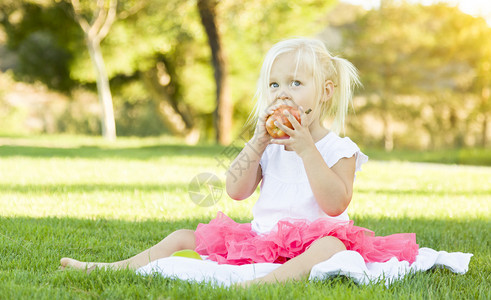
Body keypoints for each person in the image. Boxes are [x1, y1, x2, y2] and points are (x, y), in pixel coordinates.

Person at [60, 38, 419, 286]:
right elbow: (235, 190)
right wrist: (258, 142)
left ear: (325, 92)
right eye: (274, 85)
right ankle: (111, 267)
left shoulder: (339, 148)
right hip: (264, 239)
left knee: (332, 248)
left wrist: (308, 148)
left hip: (315, 241)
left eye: (295, 83)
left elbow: (335, 202)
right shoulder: (270, 145)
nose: (282, 93)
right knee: (185, 235)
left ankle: (265, 283)